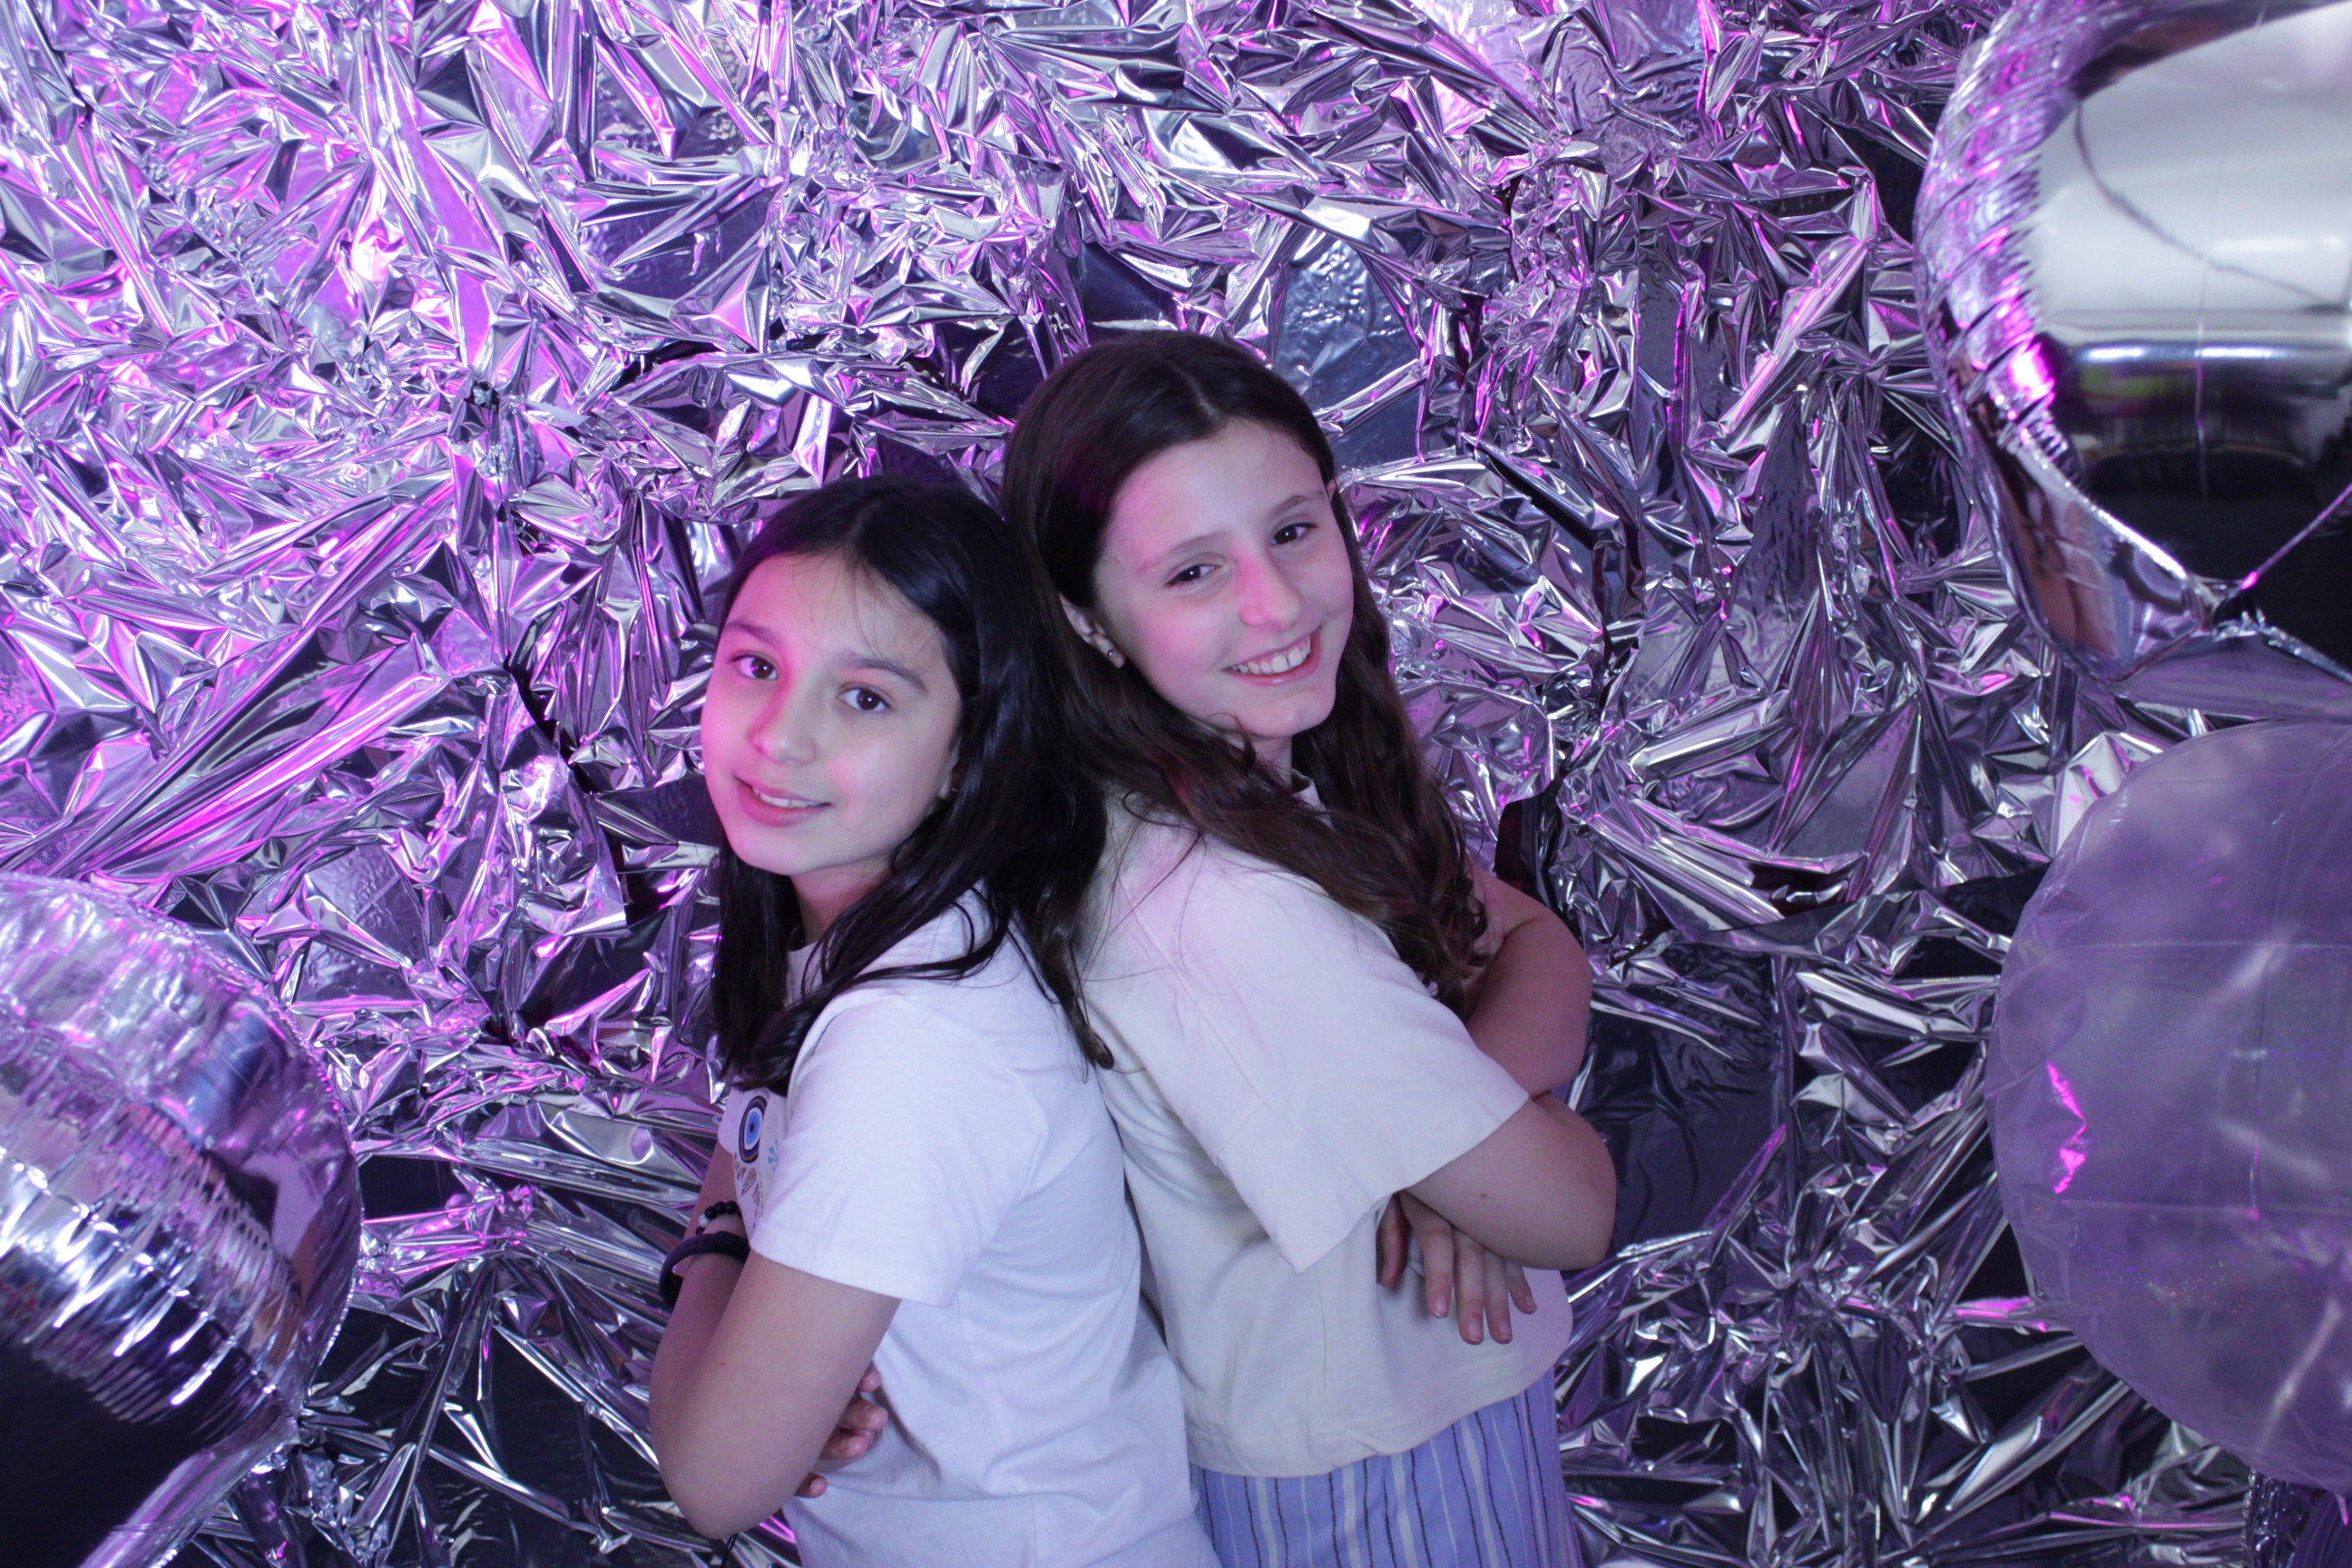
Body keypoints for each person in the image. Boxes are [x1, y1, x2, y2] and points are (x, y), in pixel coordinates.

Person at [999, 331, 1618, 1567]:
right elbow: (1573, 1208)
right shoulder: (1224, 908)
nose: (1276, 605)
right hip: (1379, 1490)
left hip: (1401, 1432)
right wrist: (1485, 1152)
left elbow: (1536, 938)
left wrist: (1450, 1140)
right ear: (1089, 621)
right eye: (1192, 571)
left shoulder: (1243, 796)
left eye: (1292, 530)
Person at [649, 475, 1216, 1568]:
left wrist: (715, 1260)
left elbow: (717, 1479)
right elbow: (750, 1138)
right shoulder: (857, 926)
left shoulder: (914, 1037)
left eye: (865, 698)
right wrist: (738, 1260)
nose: (780, 738)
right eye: (756, 667)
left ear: (963, 753)